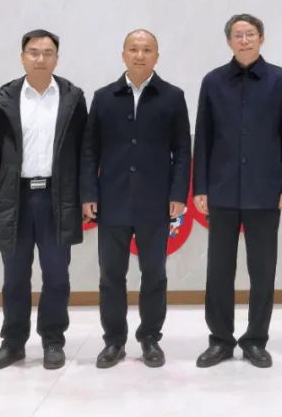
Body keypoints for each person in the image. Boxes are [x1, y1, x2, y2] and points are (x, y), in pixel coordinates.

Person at [192, 13, 282, 369]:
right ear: (229, 41)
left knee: (262, 270)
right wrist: (200, 186)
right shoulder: (213, 81)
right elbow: (203, 136)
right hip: (222, 190)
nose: (244, 40)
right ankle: (220, 340)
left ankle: (256, 339)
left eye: (250, 34)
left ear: (261, 38)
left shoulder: (281, 81)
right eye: (237, 35)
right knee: (218, 270)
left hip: (265, 190)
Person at [0, 30, 87, 371]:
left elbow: (85, 153)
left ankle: (53, 341)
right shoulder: (6, 99)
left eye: (48, 52)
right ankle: (12, 343)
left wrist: (86, 199)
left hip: (57, 199)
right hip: (16, 199)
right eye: (34, 52)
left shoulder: (72, 98)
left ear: (57, 58)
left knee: (57, 276)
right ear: (22, 57)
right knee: (14, 277)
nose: (41, 58)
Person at [80, 29, 191, 369]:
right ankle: (114, 341)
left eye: (147, 50)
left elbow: (182, 151)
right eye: (133, 49)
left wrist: (178, 194)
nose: (140, 55)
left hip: (155, 202)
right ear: (123, 54)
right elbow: (89, 151)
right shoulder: (103, 97)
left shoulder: (172, 97)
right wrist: (89, 193)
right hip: (111, 200)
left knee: (154, 274)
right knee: (111, 276)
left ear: (157, 56)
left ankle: (150, 338)